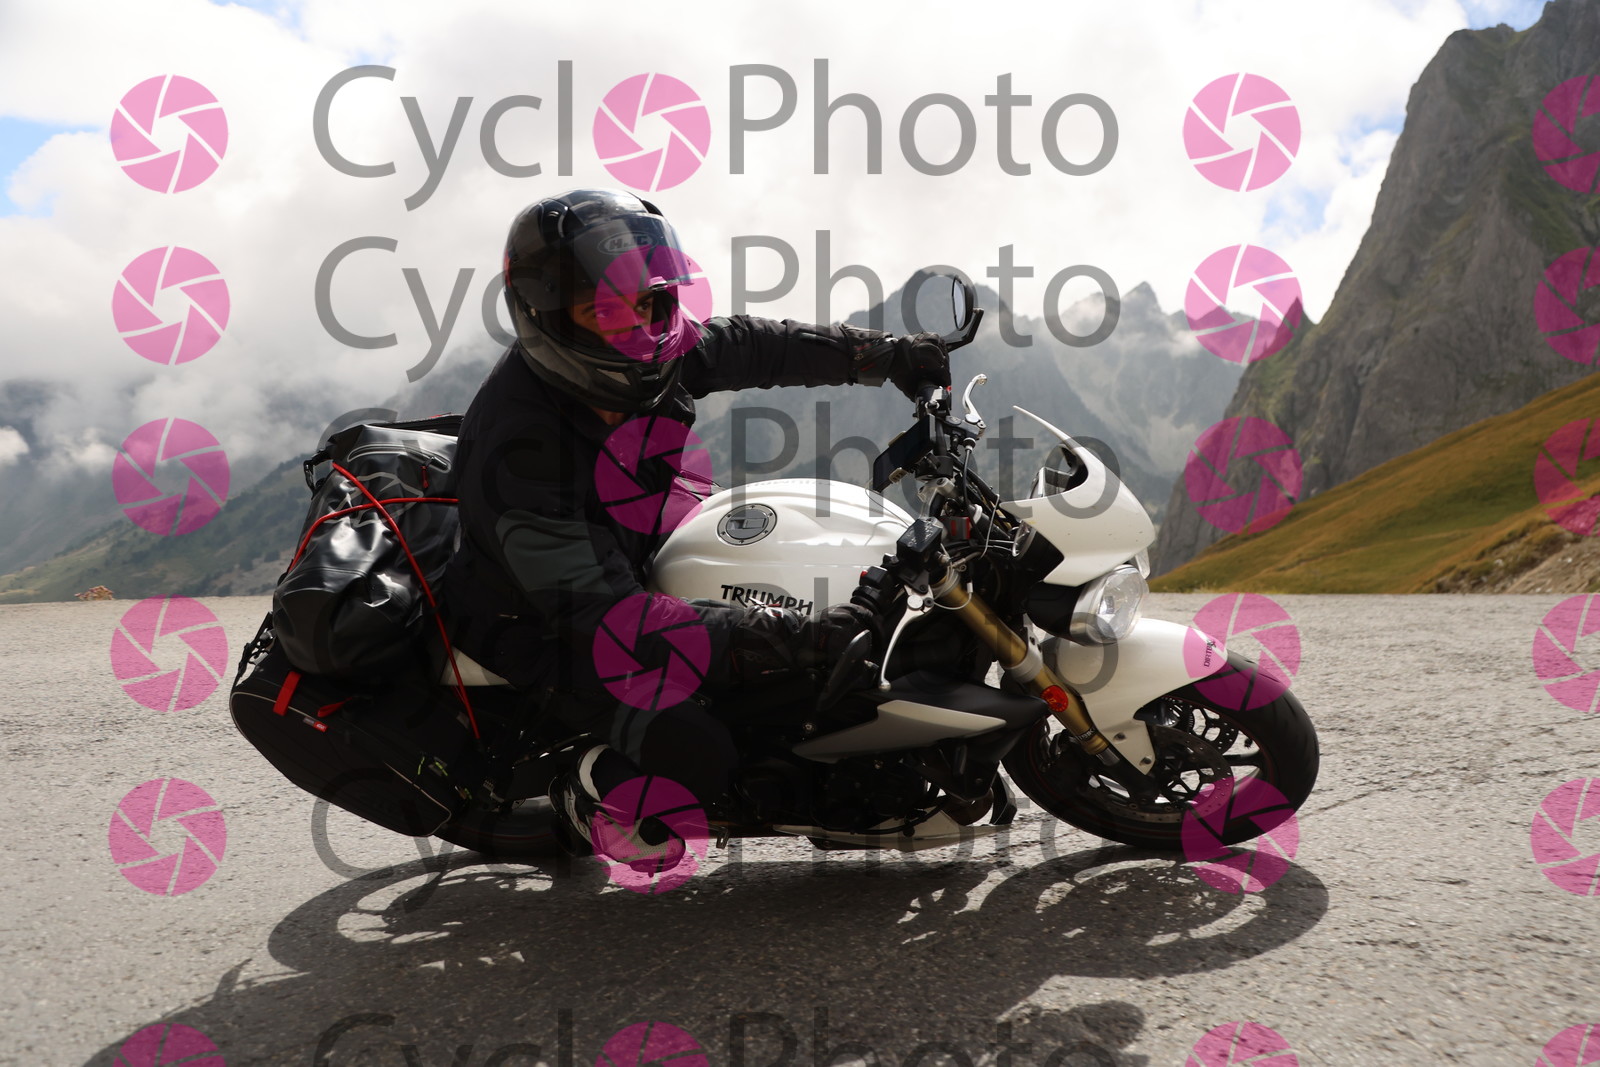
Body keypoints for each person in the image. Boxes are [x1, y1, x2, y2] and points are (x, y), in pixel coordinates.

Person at [440, 188, 950, 856]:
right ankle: (584, 793)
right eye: (603, 309)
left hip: (626, 550)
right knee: (702, 752)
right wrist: (805, 636)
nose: (636, 324)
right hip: (540, 625)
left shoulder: (650, 353)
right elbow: (614, 622)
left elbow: (753, 346)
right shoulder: (522, 455)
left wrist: (883, 355)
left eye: (647, 301)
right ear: (549, 319)